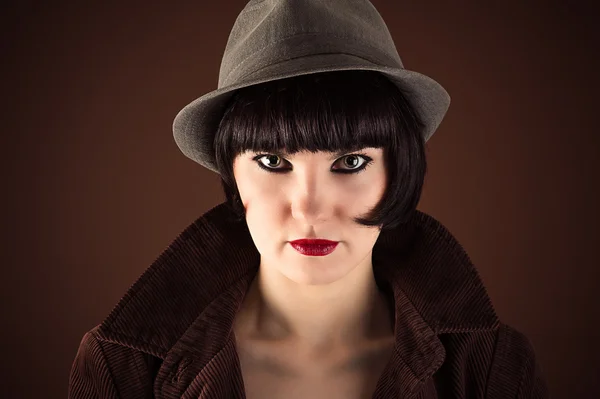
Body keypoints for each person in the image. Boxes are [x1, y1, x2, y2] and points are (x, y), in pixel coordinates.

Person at [68, 0, 549, 398]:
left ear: (398, 170)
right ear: (230, 173)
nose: (310, 207)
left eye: (351, 163)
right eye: (273, 163)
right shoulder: (123, 368)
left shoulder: (490, 370)